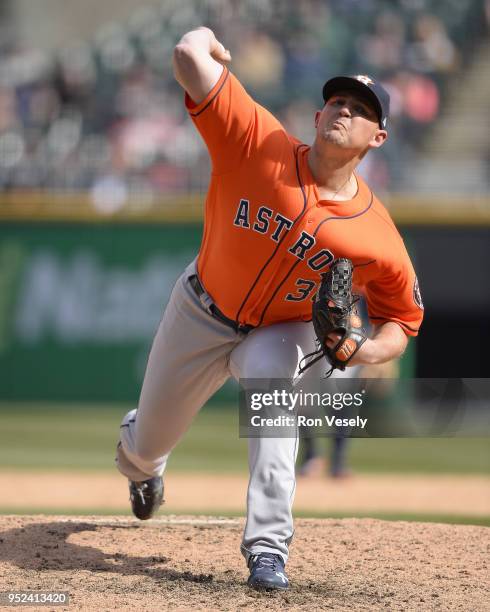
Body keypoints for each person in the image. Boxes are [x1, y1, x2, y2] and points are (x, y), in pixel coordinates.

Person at [116, 26, 424, 591]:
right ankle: (144, 463)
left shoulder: (378, 236)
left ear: (377, 137)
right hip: (199, 309)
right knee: (143, 448)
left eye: (359, 110)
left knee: (273, 388)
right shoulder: (259, 142)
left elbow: (402, 319)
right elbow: (187, 56)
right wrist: (208, 37)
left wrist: (365, 347)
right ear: (316, 115)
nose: (344, 111)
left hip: (280, 332)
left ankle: (268, 548)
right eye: (337, 101)